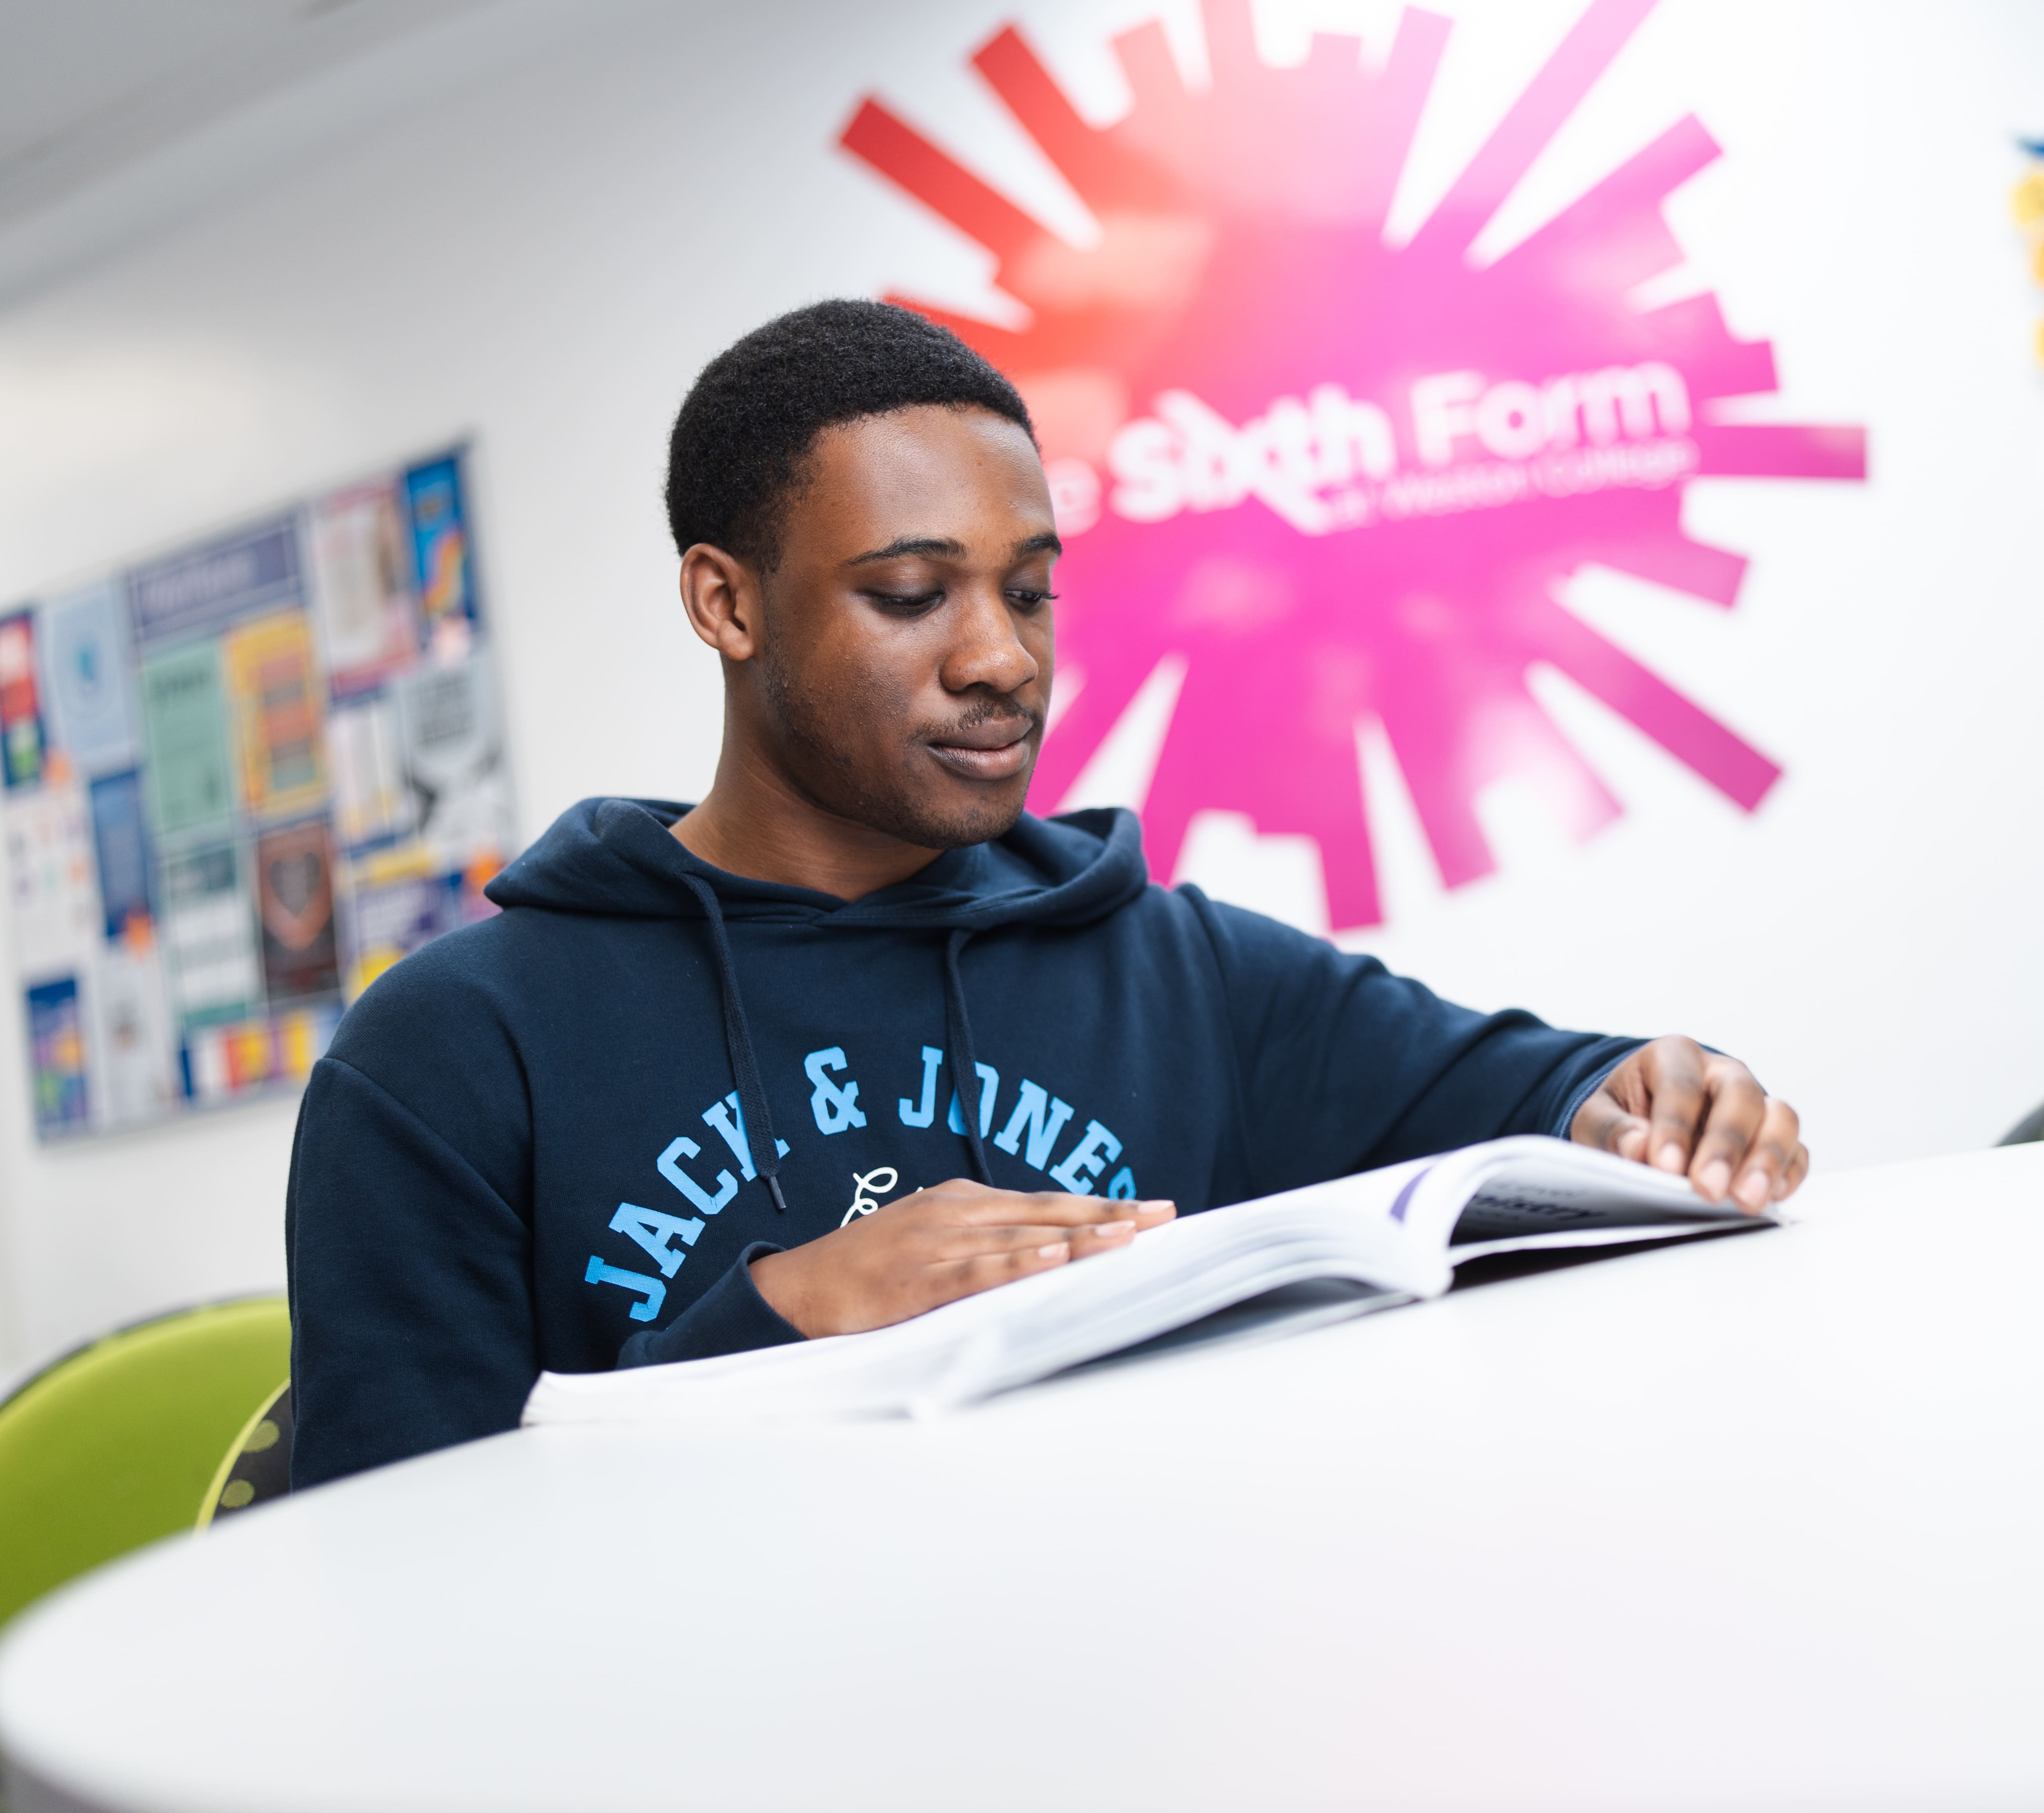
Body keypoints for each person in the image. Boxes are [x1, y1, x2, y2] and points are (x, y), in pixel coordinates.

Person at [286, 300, 1809, 1487]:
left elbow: (1537, 1093)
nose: (1001, 659)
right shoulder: (450, 1054)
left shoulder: (1168, 964)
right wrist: (784, 1315)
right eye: (909, 596)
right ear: (725, 601)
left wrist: (1657, 1097)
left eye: (1027, 591)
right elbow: (402, 1571)